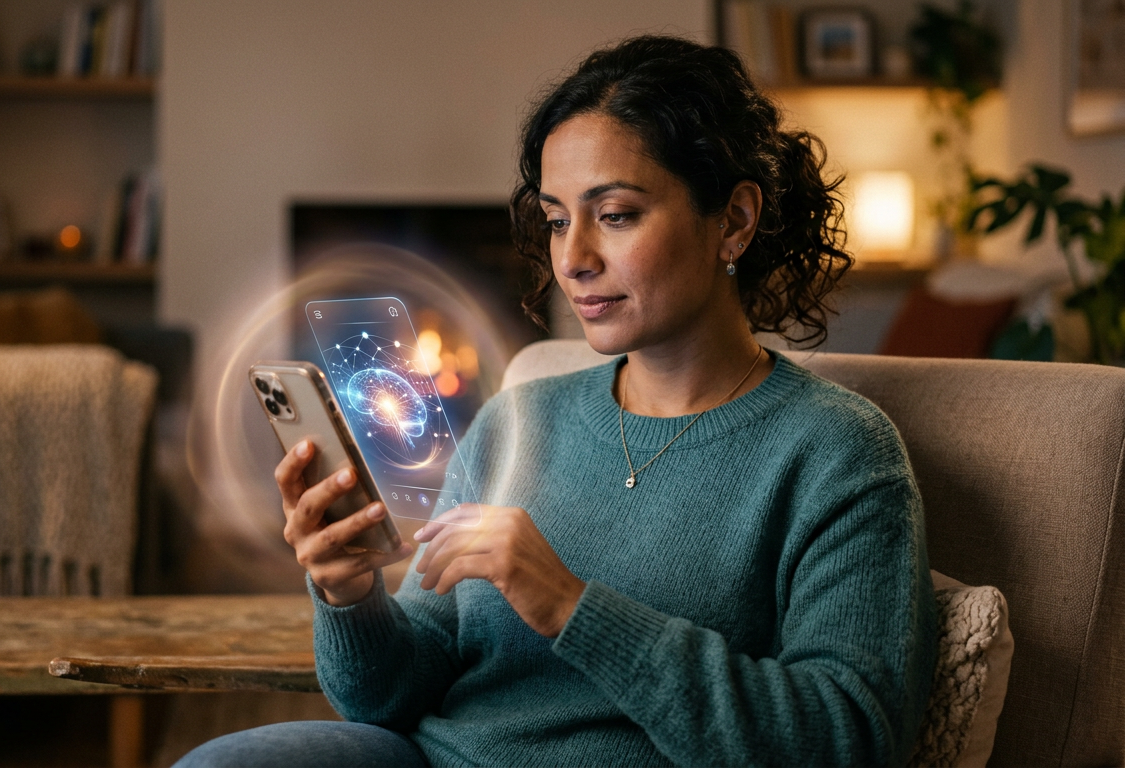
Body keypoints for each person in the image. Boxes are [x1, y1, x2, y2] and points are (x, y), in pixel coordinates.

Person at [178, 34, 936, 768]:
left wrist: (573, 608)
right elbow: (391, 697)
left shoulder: (836, 451)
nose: (572, 259)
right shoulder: (517, 421)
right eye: (556, 220)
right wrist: (350, 597)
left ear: (733, 220)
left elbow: (849, 738)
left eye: (616, 215)